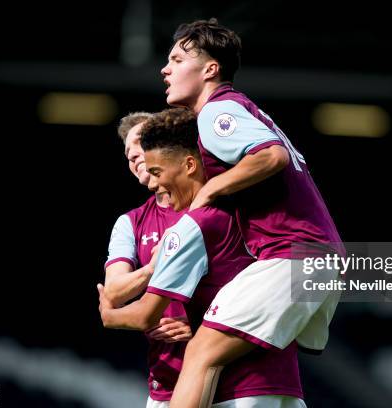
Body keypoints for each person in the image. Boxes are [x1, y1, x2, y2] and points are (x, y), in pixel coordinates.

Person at [160, 19, 344, 408]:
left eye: (177, 59)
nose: (166, 69)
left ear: (210, 69)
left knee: (201, 354)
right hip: (312, 256)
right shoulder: (242, 110)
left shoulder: (217, 112)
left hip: (293, 255)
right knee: (259, 371)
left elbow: (270, 156)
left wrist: (210, 187)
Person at [99, 107, 306, 408]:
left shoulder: (197, 223)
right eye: (133, 156)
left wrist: (110, 315)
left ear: (186, 160)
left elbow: (144, 312)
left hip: (238, 387)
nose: (147, 170)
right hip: (230, 379)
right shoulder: (239, 208)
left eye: (153, 161)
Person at [102, 111, 192, 408]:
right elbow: (113, 292)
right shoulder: (130, 223)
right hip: (166, 381)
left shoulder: (212, 209)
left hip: (232, 374)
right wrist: (154, 268)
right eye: (128, 154)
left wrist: (207, 325)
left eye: (140, 143)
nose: (134, 156)